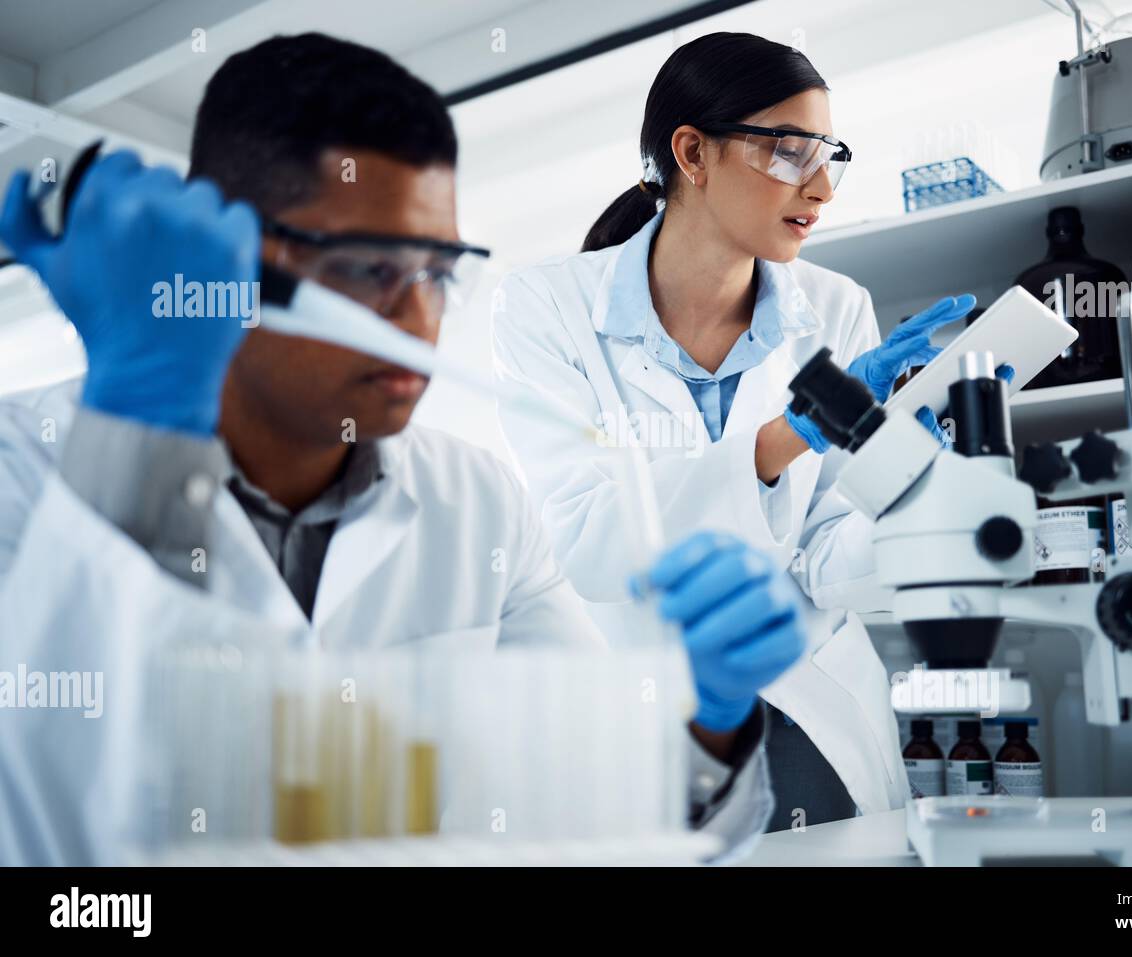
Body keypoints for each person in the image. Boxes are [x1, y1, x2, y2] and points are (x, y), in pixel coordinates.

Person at [0, 34, 805, 864]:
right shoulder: (23, 472)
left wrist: (709, 716)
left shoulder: (479, 506)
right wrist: (137, 427)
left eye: (436, 270)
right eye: (365, 269)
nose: (417, 319)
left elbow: (598, 816)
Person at [493, 32, 1010, 830]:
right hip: (647, 721)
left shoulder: (835, 310)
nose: (822, 188)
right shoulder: (546, 307)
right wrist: (789, 435)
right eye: (789, 152)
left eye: (829, 156)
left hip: (808, 709)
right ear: (692, 153)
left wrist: (913, 494)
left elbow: (828, 554)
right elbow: (589, 538)